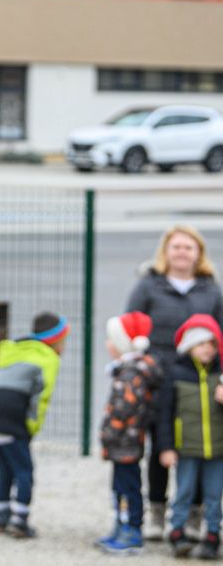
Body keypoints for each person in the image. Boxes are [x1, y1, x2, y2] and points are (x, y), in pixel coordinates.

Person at [126, 225, 223, 540]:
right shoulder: (149, 286)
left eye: (188, 247)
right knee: (161, 444)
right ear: (166, 252)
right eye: (176, 247)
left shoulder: (210, 290)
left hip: (199, 381)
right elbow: (131, 326)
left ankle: (195, 513)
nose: (182, 252)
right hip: (159, 379)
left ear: (198, 254)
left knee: (200, 446)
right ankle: (157, 510)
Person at [0, 311, 69, 539]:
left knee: (5, 468)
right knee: (24, 470)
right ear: (55, 340)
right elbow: (41, 399)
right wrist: (31, 428)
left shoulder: (14, 351)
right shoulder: (48, 359)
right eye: (64, 340)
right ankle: (20, 521)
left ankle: (1, 518)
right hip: (12, 420)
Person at [157, 314, 223, 559]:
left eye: (211, 343)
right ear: (188, 346)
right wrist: (166, 447)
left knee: (214, 495)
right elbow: (165, 414)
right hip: (186, 447)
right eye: (201, 343)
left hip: (217, 448)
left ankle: (213, 535)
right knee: (183, 491)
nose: (207, 349)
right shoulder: (175, 374)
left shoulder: (220, 375)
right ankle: (177, 532)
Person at [95, 311, 162, 555]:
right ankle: (121, 525)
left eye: (111, 339)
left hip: (125, 442)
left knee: (127, 487)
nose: (107, 344)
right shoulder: (127, 370)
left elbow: (123, 409)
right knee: (120, 486)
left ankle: (131, 530)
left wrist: (108, 433)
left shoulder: (130, 374)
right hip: (124, 442)